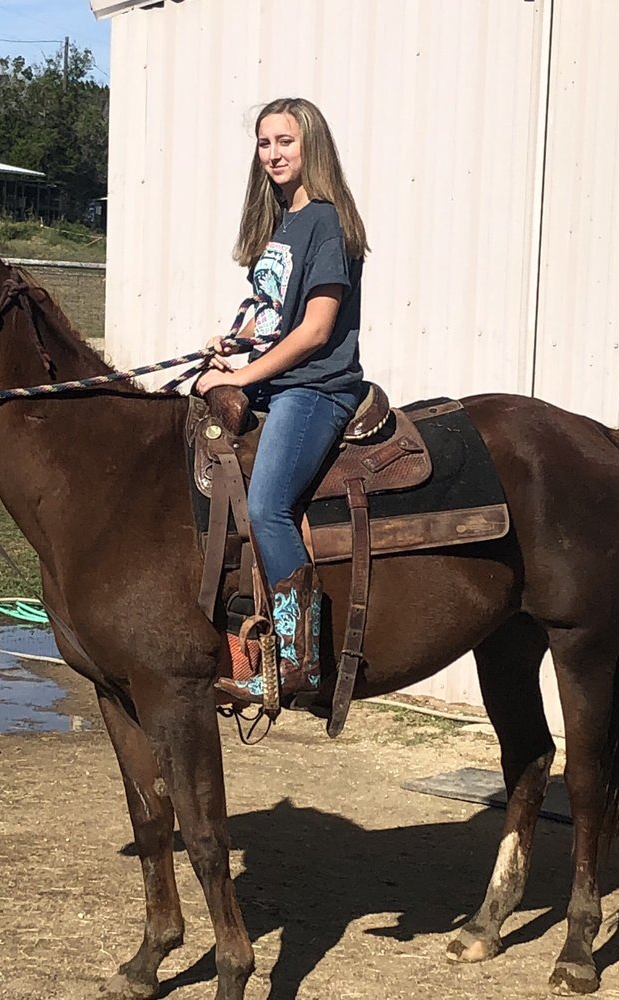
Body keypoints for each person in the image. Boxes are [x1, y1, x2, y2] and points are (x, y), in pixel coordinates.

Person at [196, 96, 369, 706]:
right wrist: (231, 344)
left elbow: (317, 328)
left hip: (316, 387)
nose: (273, 154)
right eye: (265, 143)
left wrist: (241, 381)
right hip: (275, 379)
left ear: (310, 146)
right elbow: (271, 314)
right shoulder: (281, 224)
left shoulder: (326, 220)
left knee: (268, 504)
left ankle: (297, 659)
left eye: (285, 142)